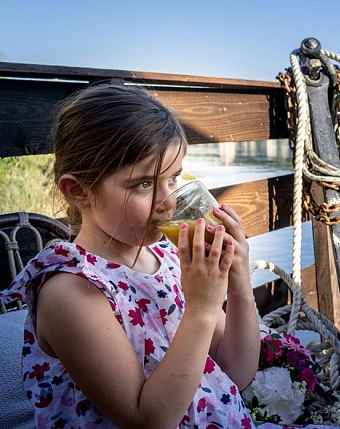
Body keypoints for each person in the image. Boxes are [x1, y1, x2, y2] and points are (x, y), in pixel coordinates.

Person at [1, 84, 260, 428]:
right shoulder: (71, 291)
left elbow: (237, 374)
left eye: (174, 178)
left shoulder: (166, 255)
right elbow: (147, 420)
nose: (169, 201)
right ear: (78, 191)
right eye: (143, 184)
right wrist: (201, 308)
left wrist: (238, 288)